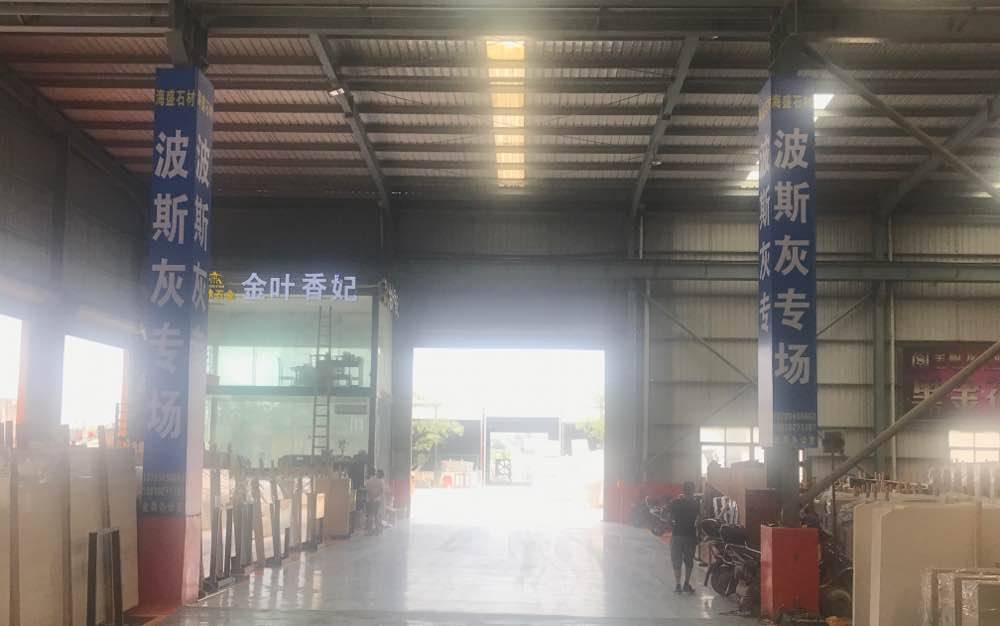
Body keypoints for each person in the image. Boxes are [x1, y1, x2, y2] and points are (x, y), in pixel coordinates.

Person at [669, 481, 700, 593]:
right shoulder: (696, 504)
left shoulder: (675, 502)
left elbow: (668, 517)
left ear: (683, 490)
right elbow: (699, 520)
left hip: (676, 535)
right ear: (693, 491)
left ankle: (678, 585)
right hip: (690, 536)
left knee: (676, 560)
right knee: (689, 561)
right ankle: (686, 584)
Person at [365, 468, 385, 535]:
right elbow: (382, 491)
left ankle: (369, 531)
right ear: (375, 473)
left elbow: (367, 491)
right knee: (376, 515)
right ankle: (377, 530)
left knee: (370, 515)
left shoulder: (368, 481)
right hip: (377, 500)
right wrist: (377, 497)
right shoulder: (381, 481)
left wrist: (371, 497)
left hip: (370, 500)